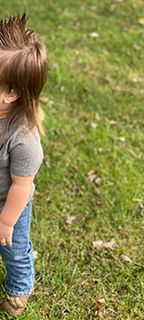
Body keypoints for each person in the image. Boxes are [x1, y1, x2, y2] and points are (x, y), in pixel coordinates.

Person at [0, 14, 48, 316]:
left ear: (11, 93)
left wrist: (6, 220)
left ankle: (19, 288)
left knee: (13, 249)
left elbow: (22, 185)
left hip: (9, 203)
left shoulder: (23, 138)